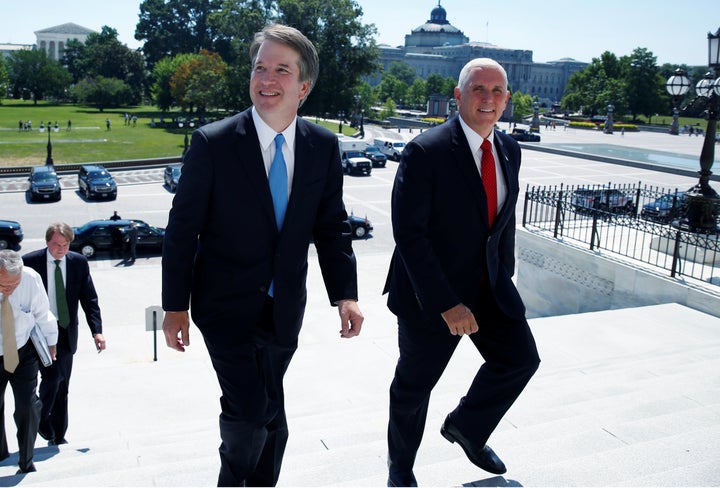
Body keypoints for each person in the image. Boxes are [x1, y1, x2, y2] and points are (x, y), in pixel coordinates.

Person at [161, 23, 364, 487]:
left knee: (272, 414)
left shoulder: (323, 147)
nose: (267, 79)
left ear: (303, 87)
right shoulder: (213, 143)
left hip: (284, 308)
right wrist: (176, 306)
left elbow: (332, 228)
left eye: (281, 70)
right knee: (251, 410)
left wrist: (345, 296)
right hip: (224, 307)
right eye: (260, 67)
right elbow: (181, 231)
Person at [383, 58, 541, 487]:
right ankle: (400, 469)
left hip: (488, 288)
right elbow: (410, 237)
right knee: (414, 388)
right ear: (458, 95)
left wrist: (502, 278)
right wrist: (447, 305)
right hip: (430, 295)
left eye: (496, 91)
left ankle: (467, 427)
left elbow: (502, 222)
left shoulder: (510, 148)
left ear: (507, 100)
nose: (487, 99)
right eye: (477, 89)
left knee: (521, 359)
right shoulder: (426, 151)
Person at [22, 223, 106, 446]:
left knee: (63, 385)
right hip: (37, 332)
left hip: (66, 331)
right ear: (47, 242)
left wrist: (97, 331)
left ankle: (58, 435)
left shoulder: (78, 262)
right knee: (52, 377)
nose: (61, 249)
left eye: (66, 244)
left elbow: (90, 299)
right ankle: (40, 418)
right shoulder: (30, 262)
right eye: (56, 244)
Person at [0, 250, 58, 474]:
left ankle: (26, 460)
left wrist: (51, 342)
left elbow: (43, 313)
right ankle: (2, 453)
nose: (10, 290)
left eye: (15, 285)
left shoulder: (31, 278)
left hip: (23, 351)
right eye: (5, 286)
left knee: (27, 405)